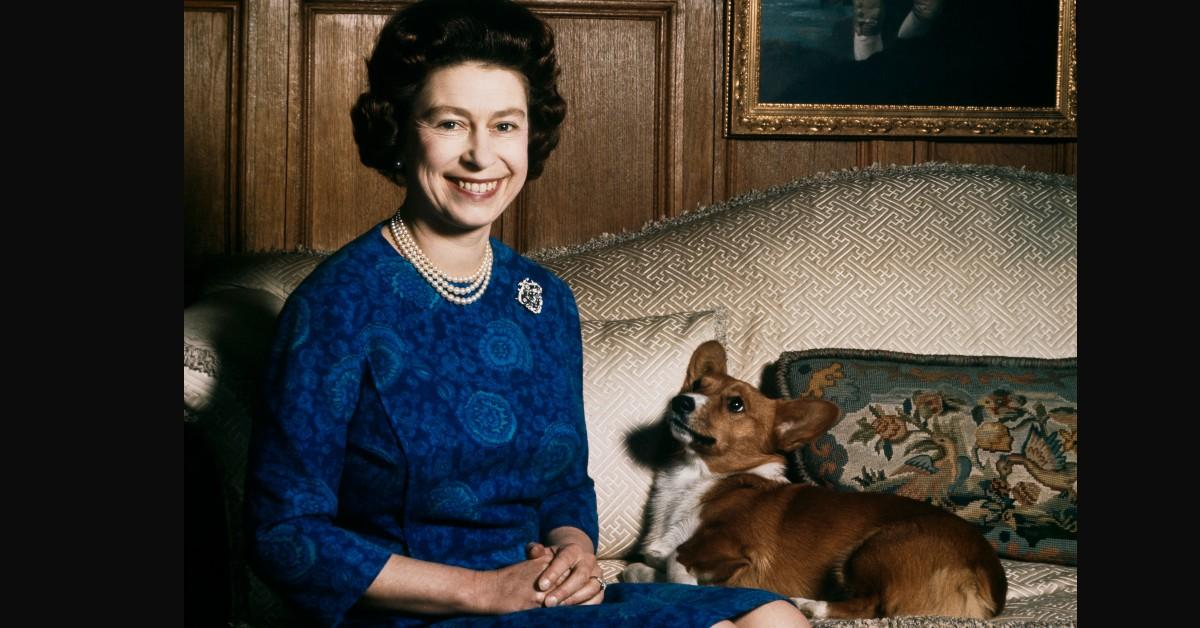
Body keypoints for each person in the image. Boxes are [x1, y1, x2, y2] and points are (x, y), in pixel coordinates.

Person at [244, 1, 812, 626]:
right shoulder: (335, 306)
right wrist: (480, 592)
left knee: (774, 618)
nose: (481, 157)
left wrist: (573, 551)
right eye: (451, 123)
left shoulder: (543, 300)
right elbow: (285, 535)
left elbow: (565, 486)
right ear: (401, 131)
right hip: (420, 611)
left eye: (505, 126)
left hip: (537, 599)